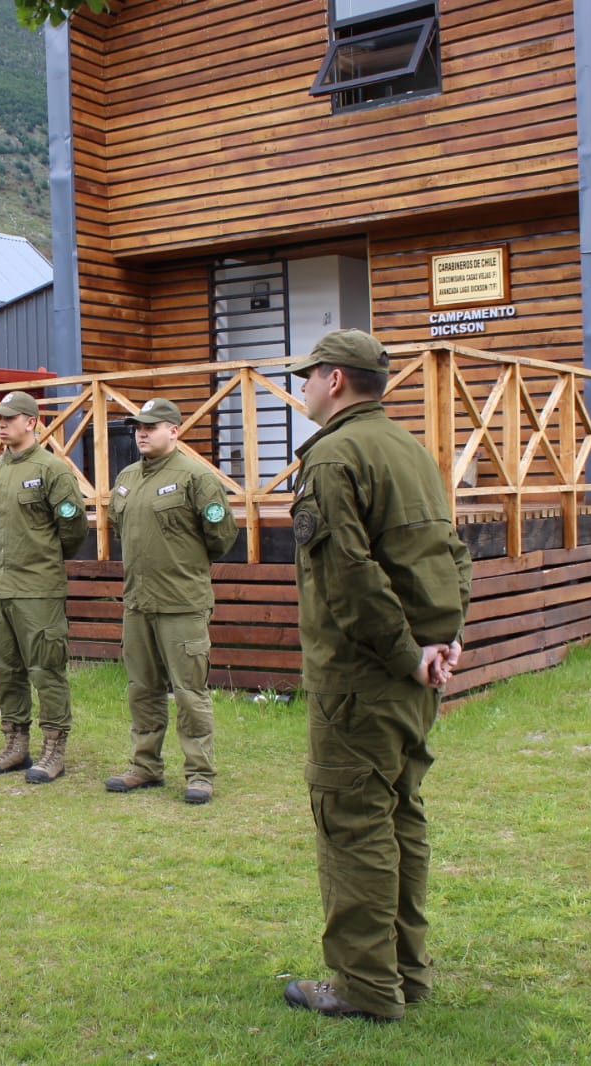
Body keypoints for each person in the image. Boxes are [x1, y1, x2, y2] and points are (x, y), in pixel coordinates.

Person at [279, 329, 472, 1024]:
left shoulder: (334, 456)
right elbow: (450, 551)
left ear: (333, 380)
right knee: (398, 816)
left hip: (363, 676)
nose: (301, 388)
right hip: (411, 672)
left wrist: (404, 651)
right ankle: (404, 973)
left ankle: (363, 986)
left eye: (307, 377)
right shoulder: (407, 447)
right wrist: (441, 642)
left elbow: (348, 578)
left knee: (352, 821)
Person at [103, 398, 238, 805]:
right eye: (137, 427)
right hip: (138, 603)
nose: (142, 432)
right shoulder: (126, 476)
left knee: (189, 691)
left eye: (151, 426)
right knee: (141, 688)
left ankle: (199, 773)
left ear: (174, 430)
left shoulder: (196, 476)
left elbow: (221, 536)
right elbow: (117, 525)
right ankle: (145, 766)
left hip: (181, 603)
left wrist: (184, 565)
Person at [0, 391, 89, 783]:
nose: (0, 424)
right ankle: (14, 744)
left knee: (46, 670)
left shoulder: (53, 470)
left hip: (37, 588)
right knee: (5, 670)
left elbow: (72, 531)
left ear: (31, 422)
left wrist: (41, 561)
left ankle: (54, 748)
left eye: (8, 418)